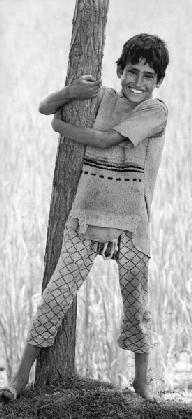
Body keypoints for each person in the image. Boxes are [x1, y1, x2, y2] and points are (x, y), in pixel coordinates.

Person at [0, 33, 169, 402]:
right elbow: (46, 106)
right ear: (119, 70)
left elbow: (107, 141)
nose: (137, 83)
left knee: (137, 303)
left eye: (148, 76)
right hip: (87, 215)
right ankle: (18, 378)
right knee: (56, 296)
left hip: (131, 223)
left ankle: (141, 381)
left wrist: (61, 129)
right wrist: (73, 92)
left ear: (159, 81)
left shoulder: (156, 112)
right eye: (131, 72)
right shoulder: (105, 96)